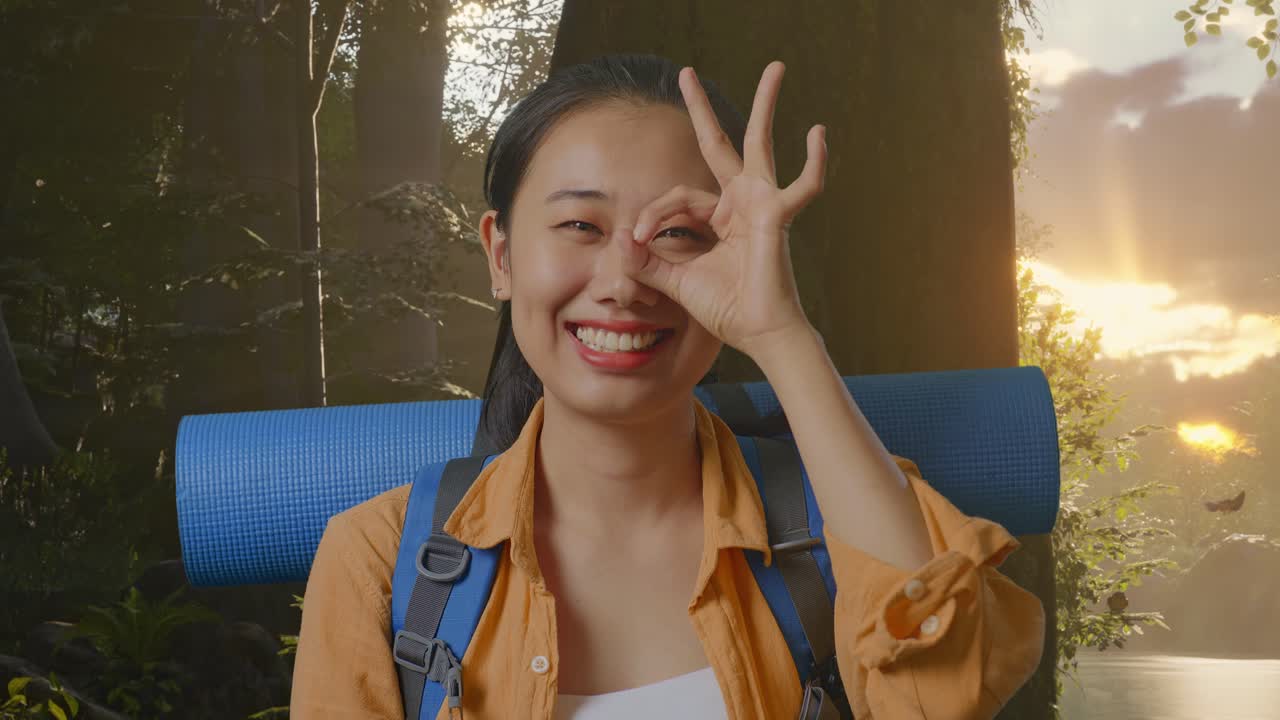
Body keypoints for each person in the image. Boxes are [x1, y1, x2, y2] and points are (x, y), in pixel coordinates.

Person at [290, 53, 1046, 719]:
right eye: (580, 226)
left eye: (679, 233)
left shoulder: (837, 525)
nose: (624, 281)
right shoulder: (381, 560)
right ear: (501, 256)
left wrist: (781, 336)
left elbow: (940, 699)